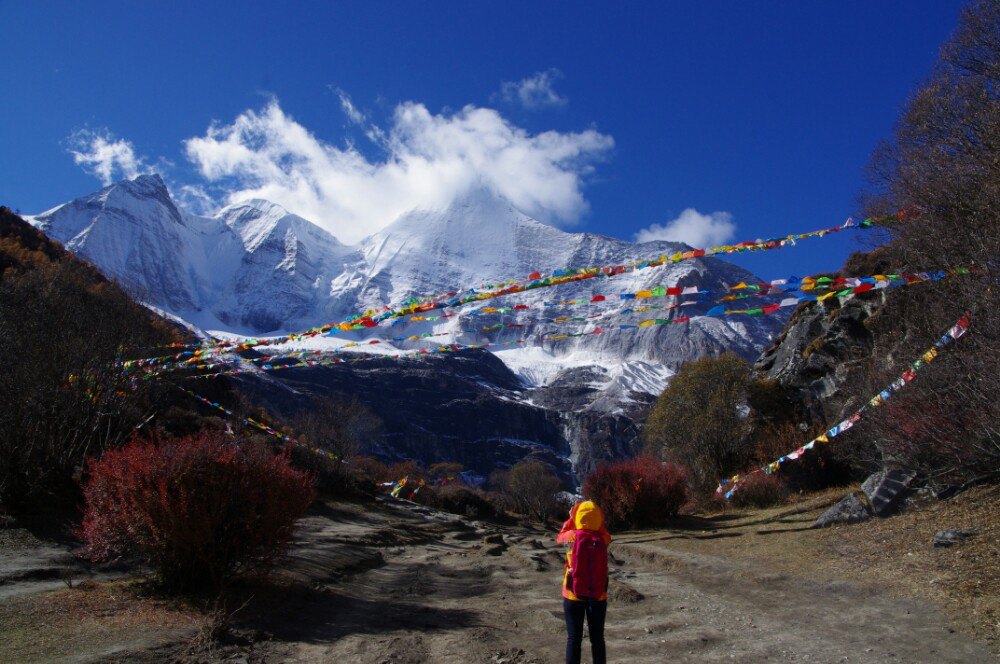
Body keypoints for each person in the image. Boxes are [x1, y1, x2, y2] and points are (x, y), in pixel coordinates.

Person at [557, 500, 611, 664]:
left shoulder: (571, 537)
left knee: (574, 639)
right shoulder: (603, 538)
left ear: (577, 517)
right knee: (598, 639)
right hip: (598, 595)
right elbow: (603, 531)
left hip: (572, 594)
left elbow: (560, 535)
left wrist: (571, 517)